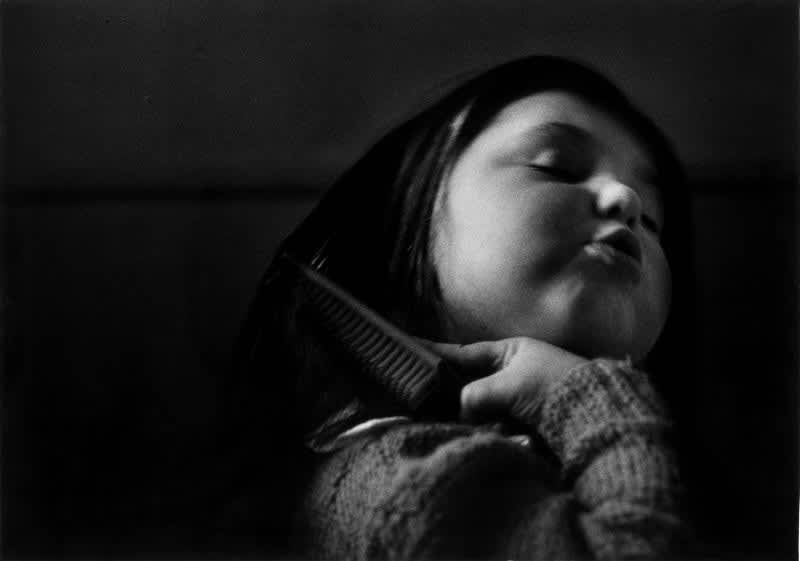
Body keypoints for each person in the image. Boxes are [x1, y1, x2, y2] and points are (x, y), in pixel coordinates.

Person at [223, 55, 695, 560]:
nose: (626, 198)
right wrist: (586, 396)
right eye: (554, 165)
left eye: (654, 220)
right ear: (410, 216)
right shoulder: (406, 479)